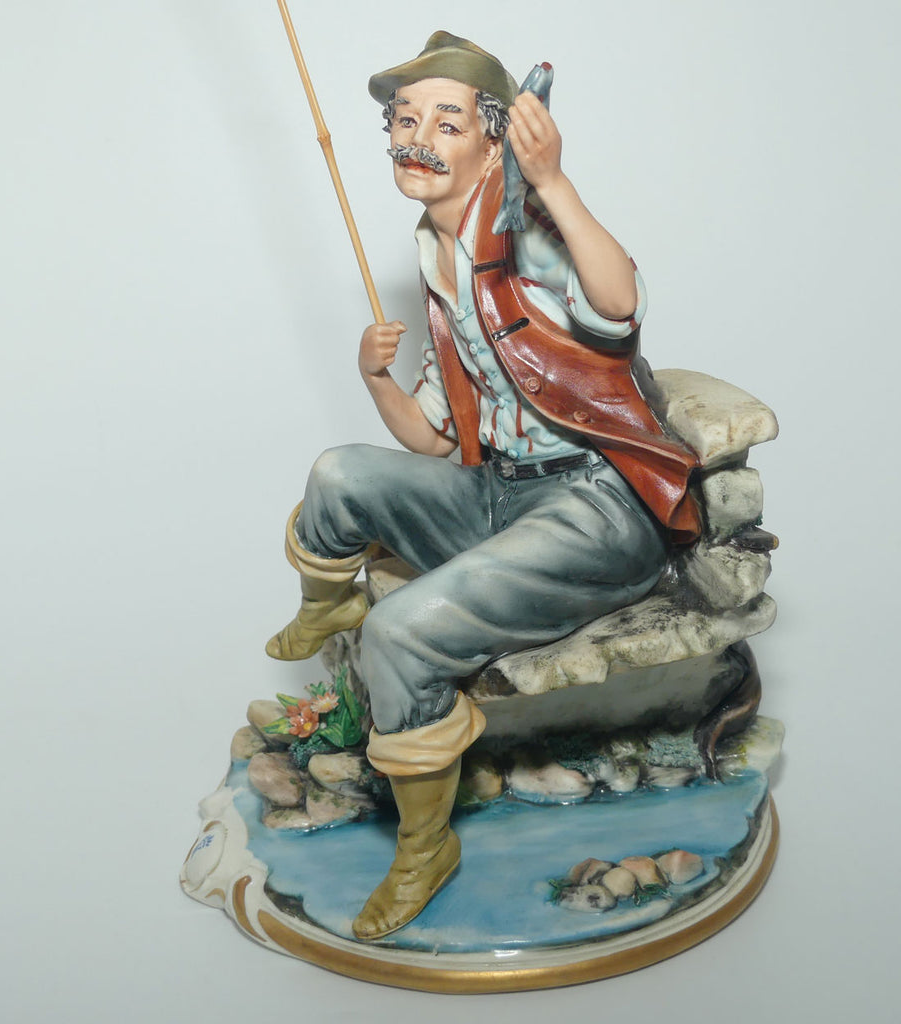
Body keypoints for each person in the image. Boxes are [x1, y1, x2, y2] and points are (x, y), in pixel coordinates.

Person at [265, 31, 701, 941]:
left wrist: (554, 182)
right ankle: (324, 607)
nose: (415, 139)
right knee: (337, 475)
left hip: (596, 507)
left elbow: (619, 304)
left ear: (494, 141)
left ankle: (425, 848)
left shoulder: (527, 233)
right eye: (404, 121)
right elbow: (432, 433)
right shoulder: (437, 254)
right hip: (501, 491)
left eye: (445, 122)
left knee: (400, 631)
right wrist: (377, 379)